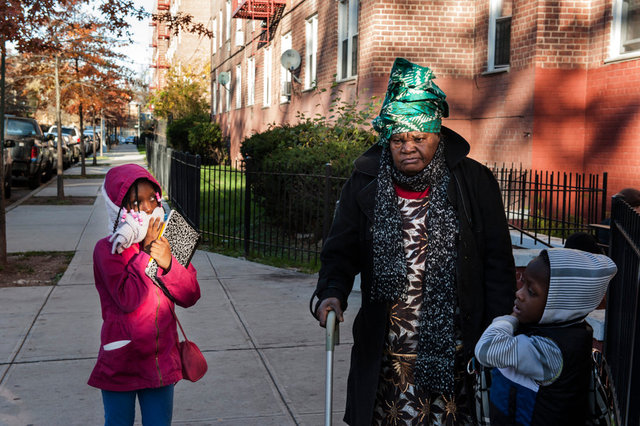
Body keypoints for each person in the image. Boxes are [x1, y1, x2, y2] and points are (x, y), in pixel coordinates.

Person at [312, 58, 516, 425]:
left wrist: (498, 331)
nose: (408, 147)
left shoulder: (473, 182)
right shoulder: (366, 183)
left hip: (456, 354)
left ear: (438, 134)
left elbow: (497, 262)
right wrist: (330, 292)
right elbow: (340, 253)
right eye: (399, 139)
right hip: (387, 357)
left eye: (419, 138)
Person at [88, 164, 201, 425]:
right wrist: (146, 255)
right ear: (118, 209)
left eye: (152, 198)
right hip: (121, 361)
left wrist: (170, 264)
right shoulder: (107, 250)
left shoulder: (170, 239)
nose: (148, 208)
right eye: (136, 202)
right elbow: (128, 299)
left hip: (160, 361)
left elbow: (191, 295)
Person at [474, 248, 617, 425]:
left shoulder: (549, 350)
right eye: (522, 283)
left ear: (559, 306)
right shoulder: (565, 330)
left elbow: (485, 349)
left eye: (531, 291)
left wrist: (510, 318)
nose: (519, 293)